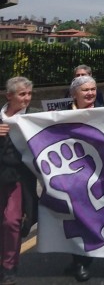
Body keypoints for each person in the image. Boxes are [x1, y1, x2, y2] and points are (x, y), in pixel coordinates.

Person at [0, 77, 38, 285]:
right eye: (22, 94)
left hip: (18, 178)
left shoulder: (34, 118)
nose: (26, 98)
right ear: (9, 96)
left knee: (11, 221)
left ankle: (9, 266)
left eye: (29, 94)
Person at [63, 75, 100, 281]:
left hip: (101, 176)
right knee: (76, 218)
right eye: (85, 90)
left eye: (93, 89)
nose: (90, 93)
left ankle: (84, 260)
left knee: (93, 218)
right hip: (74, 177)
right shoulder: (61, 116)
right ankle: (79, 261)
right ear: (73, 94)